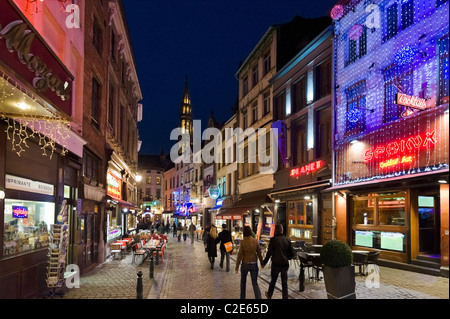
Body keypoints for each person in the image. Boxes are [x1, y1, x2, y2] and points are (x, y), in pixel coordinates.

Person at [262, 224, 295, 299]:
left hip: (275, 263)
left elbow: (269, 253)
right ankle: (285, 297)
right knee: (284, 282)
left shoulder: (273, 240)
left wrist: (264, 263)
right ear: (282, 230)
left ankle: (269, 295)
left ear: (275, 230)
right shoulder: (287, 240)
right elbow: (292, 254)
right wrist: (287, 258)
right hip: (284, 263)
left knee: (273, 280)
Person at [235, 225, 264, 299]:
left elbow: (240, 255)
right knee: (255, 283)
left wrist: (237, 267)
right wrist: (262, 263)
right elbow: (259, 253)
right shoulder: (255, 241)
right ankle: (258, 298)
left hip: (245, 263)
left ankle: (242, 297)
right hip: (254, 263)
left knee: (243, 282)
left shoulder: (243, 242)